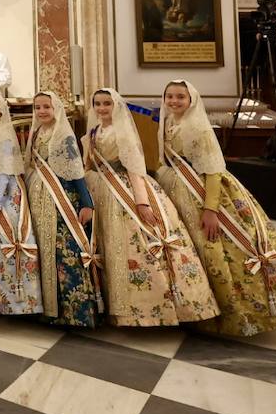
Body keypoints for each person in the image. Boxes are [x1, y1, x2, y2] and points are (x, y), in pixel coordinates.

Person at [156, 79, 276, 335]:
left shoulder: (199, 128)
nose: (174, 101)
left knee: (215, 248)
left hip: (204, 195)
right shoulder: (167, 123)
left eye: (180, 97)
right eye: (170, 96)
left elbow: (213, 171)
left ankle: (240, 314)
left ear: (192, 100)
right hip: (177, 193)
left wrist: (211, 210)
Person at [83, 88, 218, 327]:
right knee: (110, 246)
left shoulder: (123, 134)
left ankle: (153, 309)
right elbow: (88, 165)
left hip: (125, 193)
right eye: (98, 103)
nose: (102, 108)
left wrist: (142, 202)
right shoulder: (92, 133)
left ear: (116, 106)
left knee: (136, 245)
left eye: (107, 103)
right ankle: (115, 305)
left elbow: (135, 169)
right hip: (101, 191)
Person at [25, 91, 101, 328]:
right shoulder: (36, 132)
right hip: (39, 200)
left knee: (64, 253)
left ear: (56, 108)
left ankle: (75, 313)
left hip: (61, 200)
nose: (42, 111)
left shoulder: (63, 135)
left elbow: (77, 172)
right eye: (38, 107)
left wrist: (87, 203)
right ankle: (49, 309)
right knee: (45, 253)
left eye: (46, 106)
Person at [0, 90, 42, 316]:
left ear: (1, 109)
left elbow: (4, 174)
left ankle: (18, 303)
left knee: (5, 243)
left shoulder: (3, 134)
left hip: (4, 195)